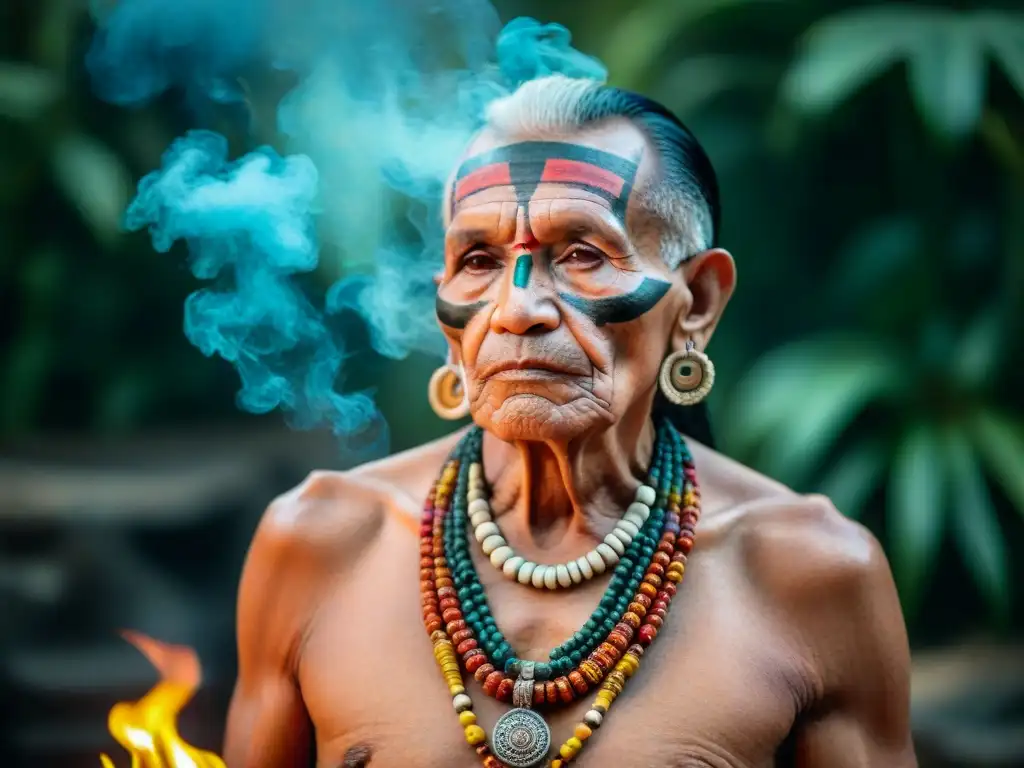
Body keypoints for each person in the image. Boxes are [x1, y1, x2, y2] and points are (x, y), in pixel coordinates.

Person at [222, 75, 916, 768]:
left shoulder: (812, 575)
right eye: (479, 260)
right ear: (446, 310)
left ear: (698, 301)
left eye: (584, 253)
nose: (517, 307)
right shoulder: (317, 545)